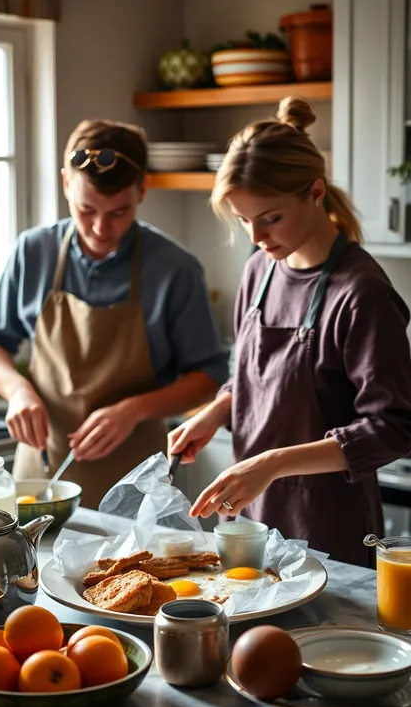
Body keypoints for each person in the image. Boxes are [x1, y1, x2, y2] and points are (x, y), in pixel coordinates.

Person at [168, 97, 411, 566]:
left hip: (330, 527)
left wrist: (272, 463)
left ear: (315, 192)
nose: (256, 236)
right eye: (243, 220)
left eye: (271, 217)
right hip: (251, 518)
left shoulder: (361, 292)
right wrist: (217, 411)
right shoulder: (260, 270)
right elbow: (253, 378)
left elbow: (393, 429)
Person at [0, 118, 228, 508]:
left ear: (143, 189)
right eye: (85, 209)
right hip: (40, 474)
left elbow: (209, 375)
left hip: (135, 482)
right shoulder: (33, 251)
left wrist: (133, 409)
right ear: (65, 184)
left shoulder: (175, 268)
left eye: (118, 212)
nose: (100, 227)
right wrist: (17, 390)